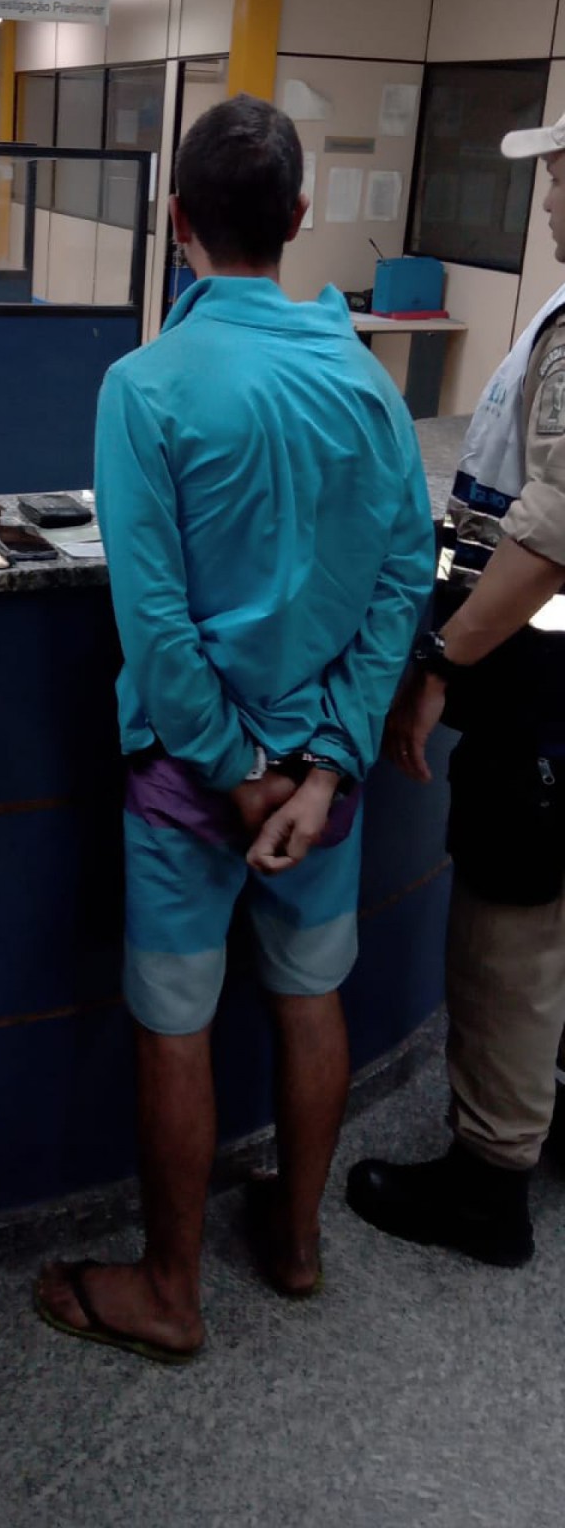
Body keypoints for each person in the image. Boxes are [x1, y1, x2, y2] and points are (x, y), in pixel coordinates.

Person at [36, 93, 433, 1362]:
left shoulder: (144, 386)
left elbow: (155, 624)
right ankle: (299, 1245)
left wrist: (236, 770)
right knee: (313, 1000)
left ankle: (170, 1289)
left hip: (190, 782)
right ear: (300, 217)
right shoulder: (367, 389)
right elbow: (401, 584)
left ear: (175, 221)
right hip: (322, 786)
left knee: (177, 1021)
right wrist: (323, 766)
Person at [348, 113, 565, 1268]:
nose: (547, 200)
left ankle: (489, 1179)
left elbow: (551, 532)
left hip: (544, 694)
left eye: (559, 177)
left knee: (509, 938)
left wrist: (441, 659)